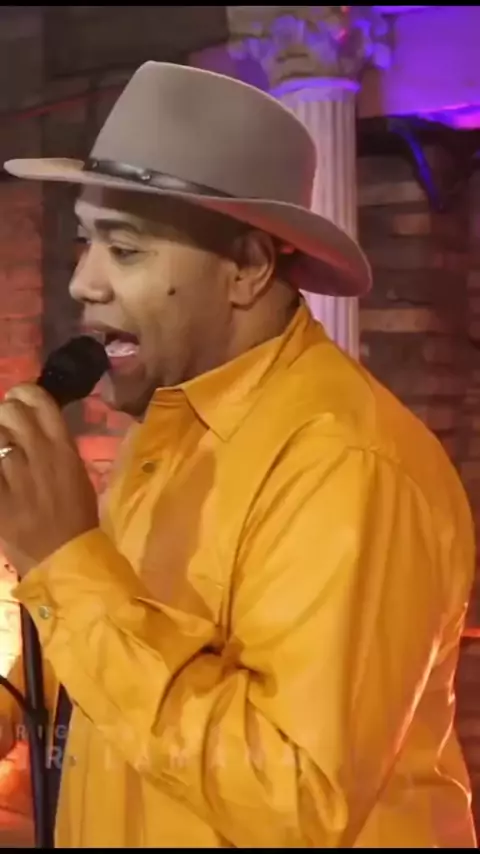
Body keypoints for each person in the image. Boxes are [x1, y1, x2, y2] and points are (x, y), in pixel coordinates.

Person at [0, 60, 475, 848]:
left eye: (125, 249)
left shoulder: (347, 465)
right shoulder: (171, 425)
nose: (83, 282)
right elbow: (129, 649)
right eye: (85, 240)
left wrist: (64, 562)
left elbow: (296, 800)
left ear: (249, 267)